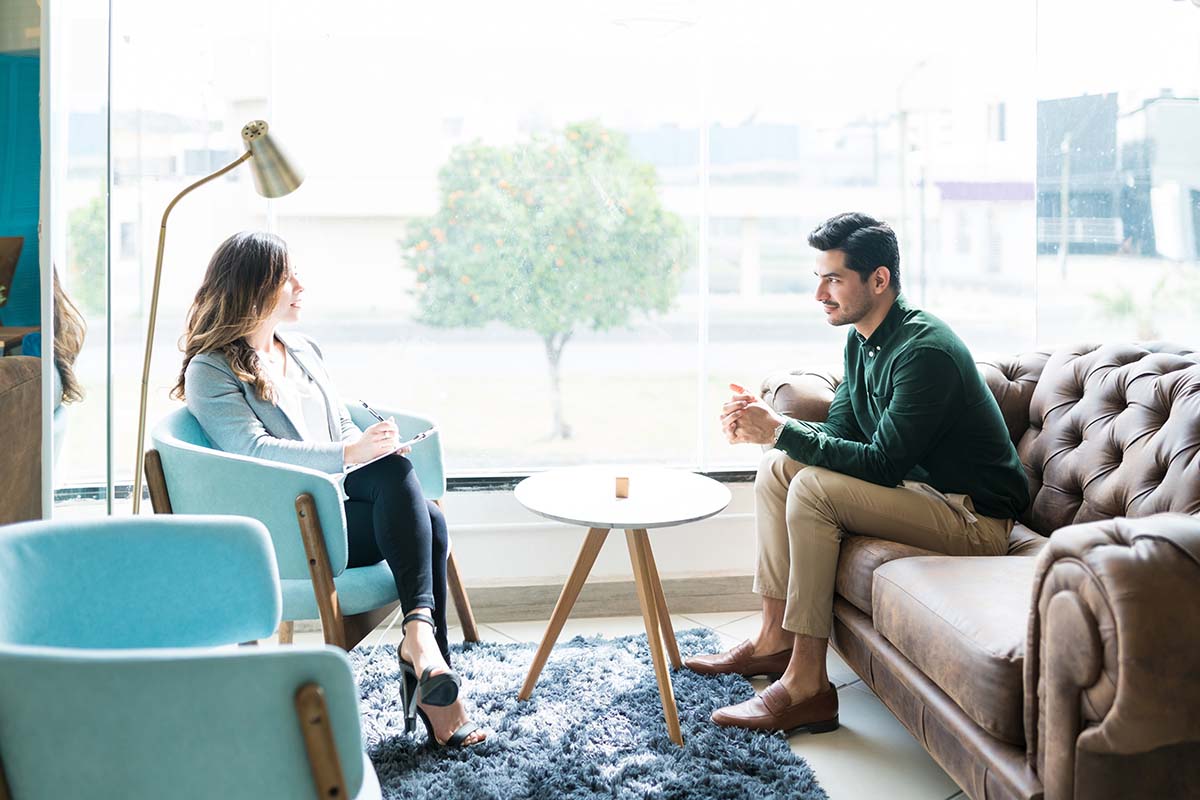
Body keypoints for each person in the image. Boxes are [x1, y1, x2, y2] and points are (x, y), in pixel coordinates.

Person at [687, 212, 1029, 734]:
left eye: (834, 279)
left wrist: (778, 428)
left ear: (879, 280)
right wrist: (773, 433)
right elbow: (843, 436)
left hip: (974, 520)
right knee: (780, 470)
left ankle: (808, 687)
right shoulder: (861, 339)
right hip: (920, 494)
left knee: (813, 488)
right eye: (818, 278)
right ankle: (774, 641)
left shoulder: (925, 351)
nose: (820, 294)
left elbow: (882, 462)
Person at [173, 231, 485, 749]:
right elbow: (252, 452)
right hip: (290, 527)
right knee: (426, 517)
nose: (300, 285)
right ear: (254, 287)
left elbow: (340, 426)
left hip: (336, 509)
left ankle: (422, 646)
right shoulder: (211, 368)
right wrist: (350, 455)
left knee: (420, 505)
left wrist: (370, 447)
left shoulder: (302, 349)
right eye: (286, 275)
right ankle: (429, 667)